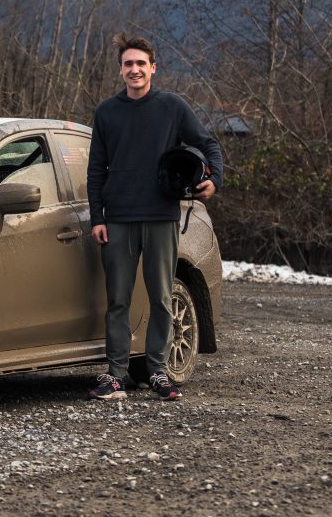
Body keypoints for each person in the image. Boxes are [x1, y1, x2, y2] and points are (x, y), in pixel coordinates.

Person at [86, 33, 222, 401]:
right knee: (118, 299)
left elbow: (208, 144)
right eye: (128, 64)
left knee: (161, 297)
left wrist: (214, 179)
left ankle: (158, 373)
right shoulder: (106, 112)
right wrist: (97, 217)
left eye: (141, 64)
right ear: (121, 70)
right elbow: (96, 169)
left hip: (161, 215)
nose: (134, 69)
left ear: (153, 68)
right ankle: (116, 375)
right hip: (118, 218)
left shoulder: (172, 108)